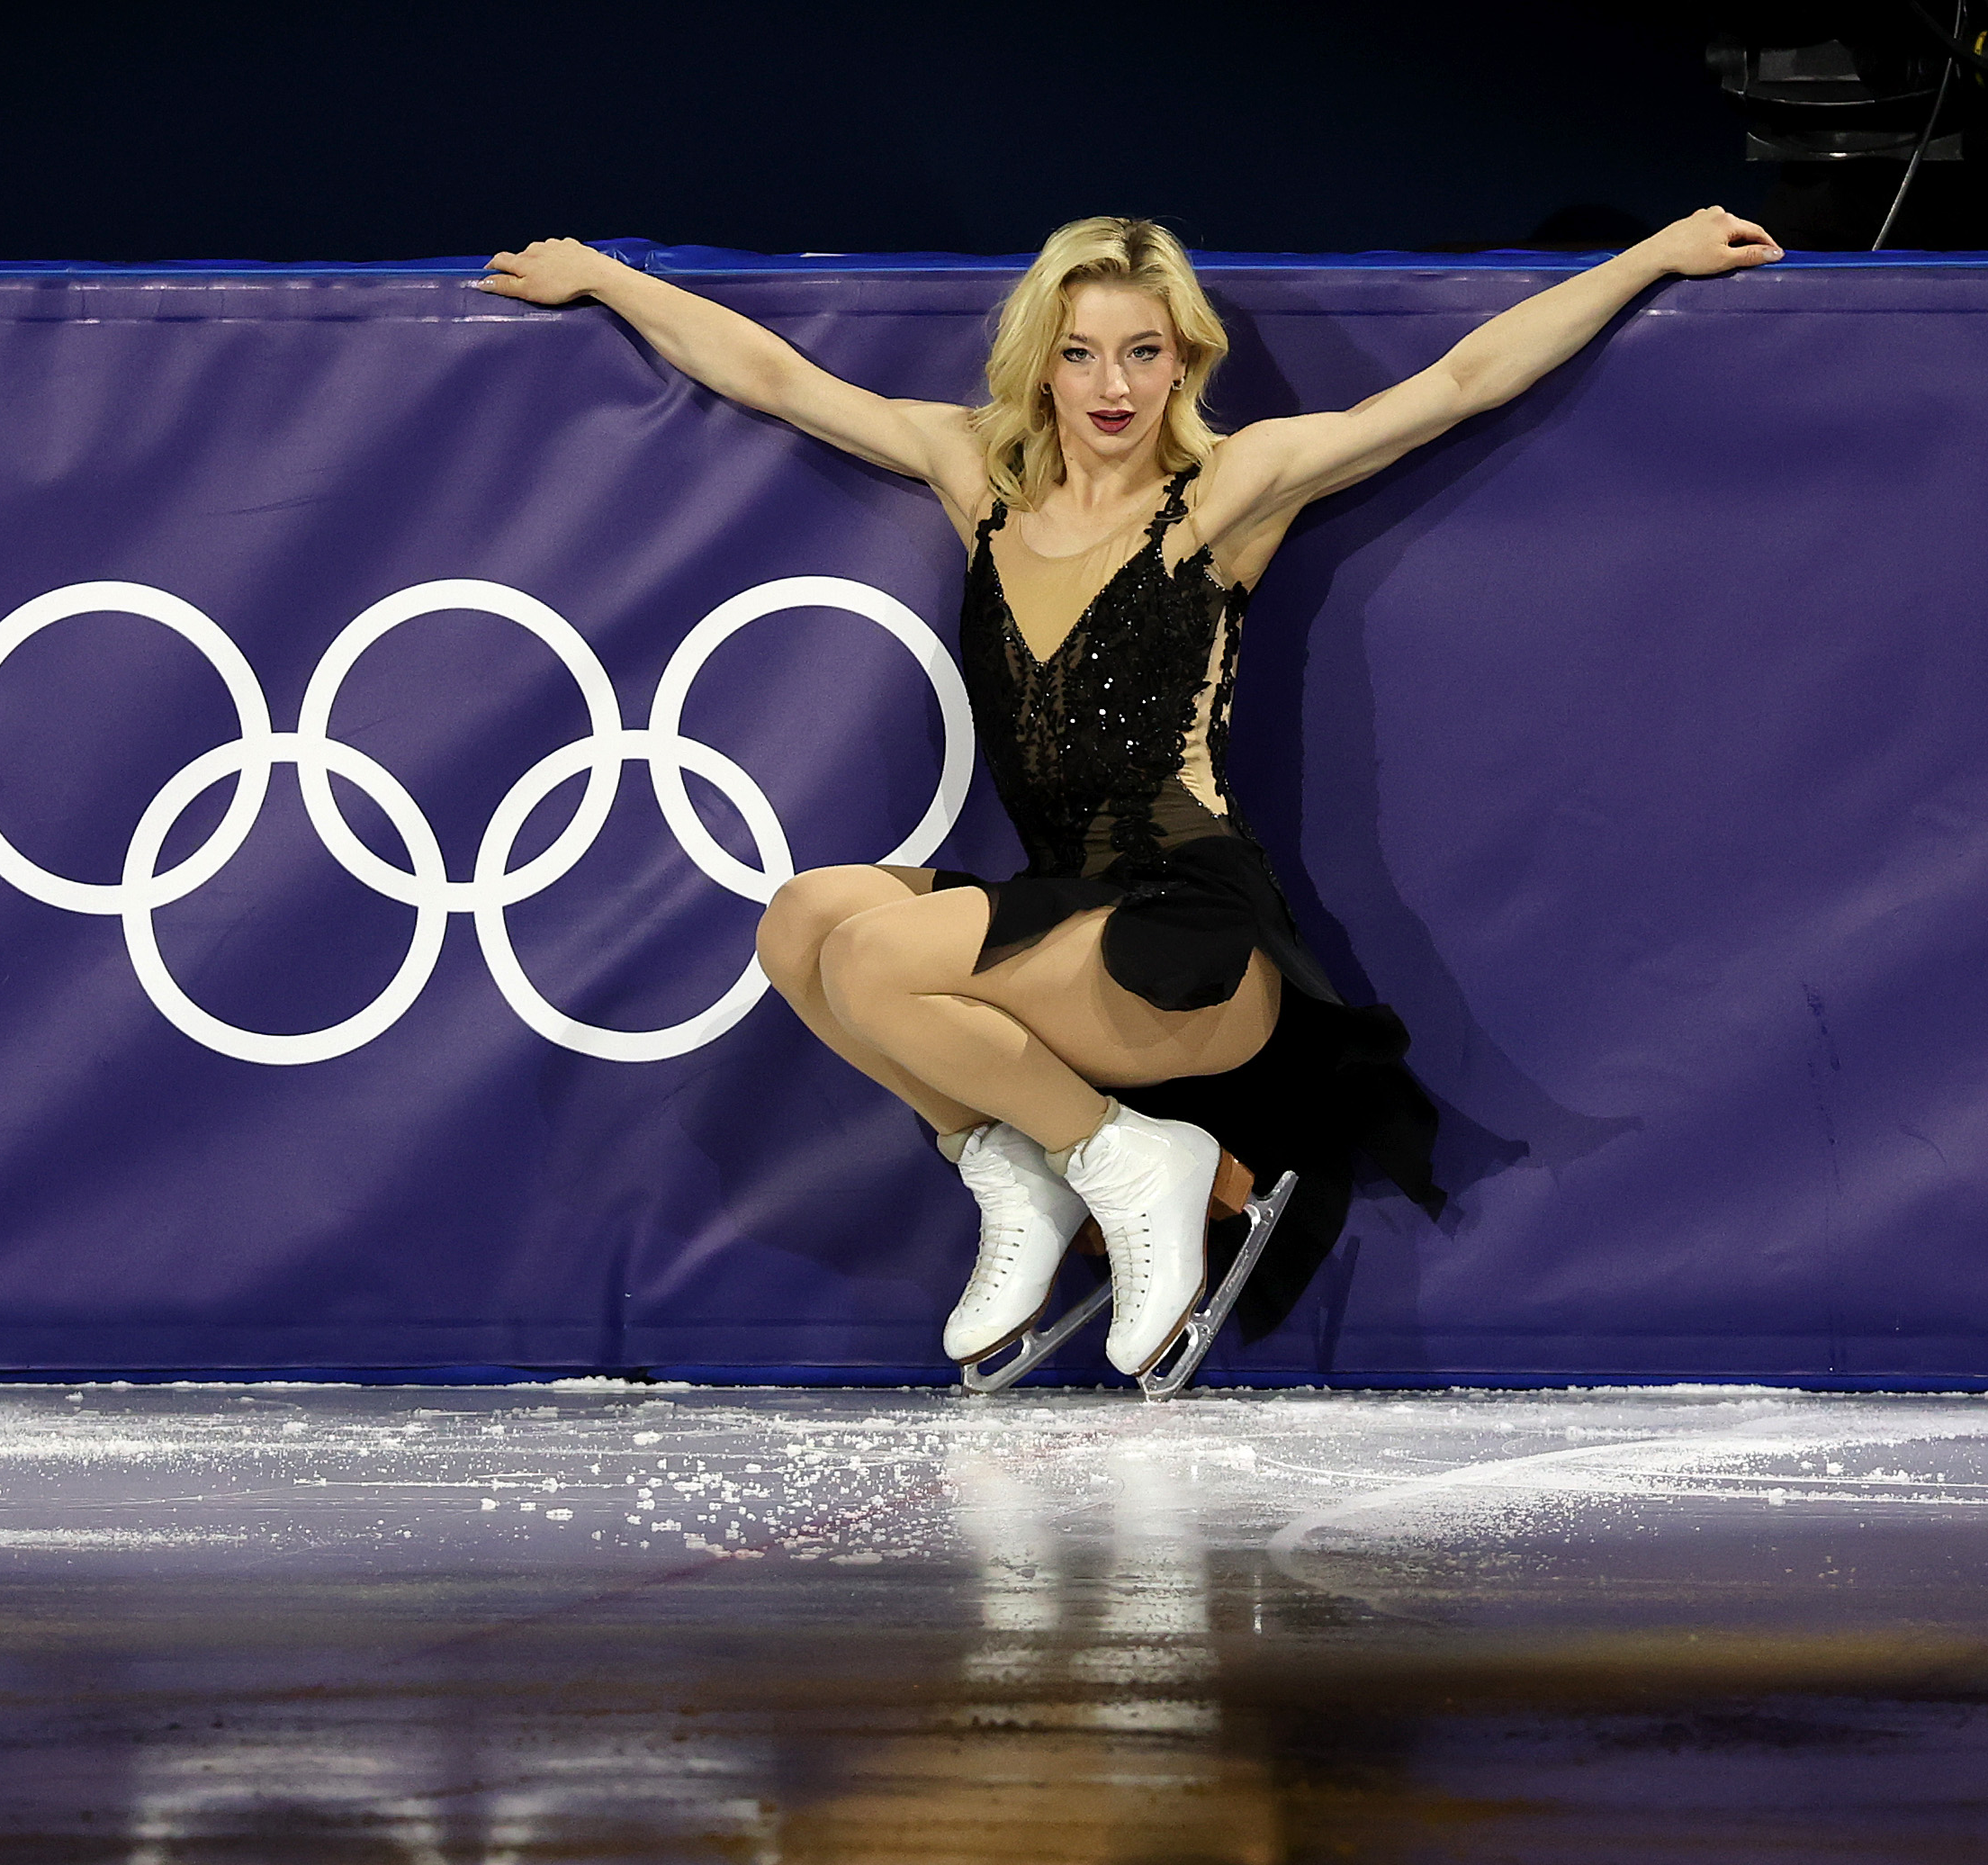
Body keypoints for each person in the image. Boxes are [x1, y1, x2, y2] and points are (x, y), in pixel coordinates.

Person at [476, 210, 1782, 1381]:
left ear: (1186, 361)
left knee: (872, 957)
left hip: (1191, 939)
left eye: (1144, 353)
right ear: (1042, 358)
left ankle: (1120, 1154)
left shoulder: (1223, 494)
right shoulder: (976, 479)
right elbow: (770, 374)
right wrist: (604, 276)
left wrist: (1650, 257)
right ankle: (1029, 1166)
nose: (1113, 386)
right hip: (1063, 909)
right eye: (1085, 352)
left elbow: (1456, 384)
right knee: (800, 922)